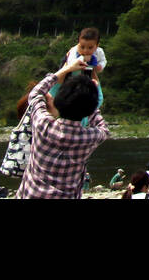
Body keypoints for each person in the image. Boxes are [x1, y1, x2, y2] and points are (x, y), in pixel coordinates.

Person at [16, 57, 109, 198]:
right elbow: (104, 128)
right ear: (88, 111)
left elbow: (35, 94)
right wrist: (91, 97)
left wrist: (66, 69)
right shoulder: (89, 137)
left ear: (59, 100)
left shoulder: (43, 124)